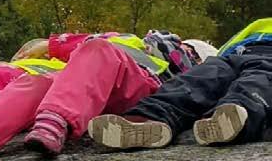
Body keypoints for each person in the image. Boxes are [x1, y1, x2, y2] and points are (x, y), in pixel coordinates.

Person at [0, 29, 202, 161]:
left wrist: (50, 44)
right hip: (90, 92)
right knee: (36, 83)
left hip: (140, 88)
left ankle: (55, 120)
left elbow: (90, 45)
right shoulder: (121, 42)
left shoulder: (173, 49)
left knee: (97, 51)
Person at [88, 21, 271, 149]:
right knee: (198, 78)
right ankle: (147, 118)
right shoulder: (255, 27)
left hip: (266, 57)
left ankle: (233, 117)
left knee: (257, 82)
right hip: (231, 55)